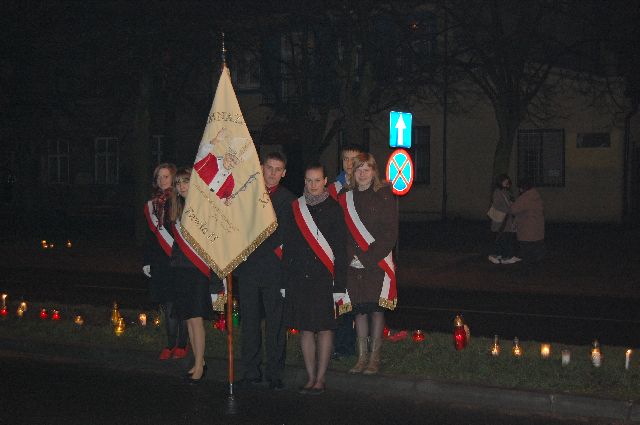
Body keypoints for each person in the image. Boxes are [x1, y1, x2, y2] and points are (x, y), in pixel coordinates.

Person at [282, 163, 349, 394]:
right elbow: (288, 246)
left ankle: (321, 378)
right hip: (300, 278)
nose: (313, 185)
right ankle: (310, 377)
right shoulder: (296, 208)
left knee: (324, 328)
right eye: (309, 181)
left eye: (317, 180)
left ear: (325, 181)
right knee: (306, 329)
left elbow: (341, 250)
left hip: (324, 279)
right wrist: (285, 281)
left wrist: (340, 285)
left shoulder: (334, 209)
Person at [234, 152, 295, 390]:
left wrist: (251, 244)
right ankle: (250, 371)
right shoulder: (247, 195)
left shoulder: (288, 200)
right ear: (261, 167)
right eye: (269, 167)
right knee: (249, 323)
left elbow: (281, 236)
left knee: (275, 325)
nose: (272, 173)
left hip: (273, 271)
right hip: (248, 270)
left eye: (277, 169)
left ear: (284, 173)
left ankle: (274, 373)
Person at [339, 153, 398, 375]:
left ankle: (374, 357)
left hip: (377, 262)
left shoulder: (383, 195)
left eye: (367, 169)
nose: (362, 174)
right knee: (359, 311)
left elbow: (389, 233)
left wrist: (366, 258)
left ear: (374, 171)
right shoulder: (345, 196)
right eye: (358, 169)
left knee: (375, 309)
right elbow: (342, 232)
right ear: (353, 173)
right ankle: (361, 357)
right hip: (352, 263)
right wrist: (350, 257)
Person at [169, 167, 224, 383]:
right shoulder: (178, 207)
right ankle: (197, 362)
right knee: (189, 318)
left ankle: (201, 363)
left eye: (186, 181)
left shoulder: (202, 208)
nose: (182, 186)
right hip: (182, 269)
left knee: (197, 319)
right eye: (179, 183)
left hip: (198, 270)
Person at [143, 163, 189, 360]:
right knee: (169, 304)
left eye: (166, 176)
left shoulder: (180, 201)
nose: (162, 180)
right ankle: (170, 344)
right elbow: (150, 237)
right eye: (159, 177)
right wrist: (147, 261)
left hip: (179, 260)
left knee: (182, 304)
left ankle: (182, 344)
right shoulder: (152, 205)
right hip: (162, 262)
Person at [328, 144, 364, 360]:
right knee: (340, 301)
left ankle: (359, 347)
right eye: (345, 159)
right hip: (339, 252)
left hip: (360, 253)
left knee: (360, 303)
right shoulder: (333, 189)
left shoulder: (365, 186)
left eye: (354, 159)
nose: (349, 164)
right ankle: (342, 346)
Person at [510, 179, 545, 263]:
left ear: (522, 188)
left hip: (526, 229)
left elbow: (513, 210)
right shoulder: (537, 196)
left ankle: (527, 270)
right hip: (538, 229)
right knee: (537, 251)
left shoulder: (524, 198)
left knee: (526, 253)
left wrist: (512, 204)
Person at [487, 174, 518, 264]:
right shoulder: (497, 192)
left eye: (507, 181)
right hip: (501, 219)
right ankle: (499, 256)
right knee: (502, 238)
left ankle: (505, 255)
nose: (507, 183)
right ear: (500, 182)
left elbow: (510, 202)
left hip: (507, 219)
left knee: (506, 237)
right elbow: (497, 205)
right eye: (505, 181)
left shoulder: (506, 191)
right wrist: (509, 210)